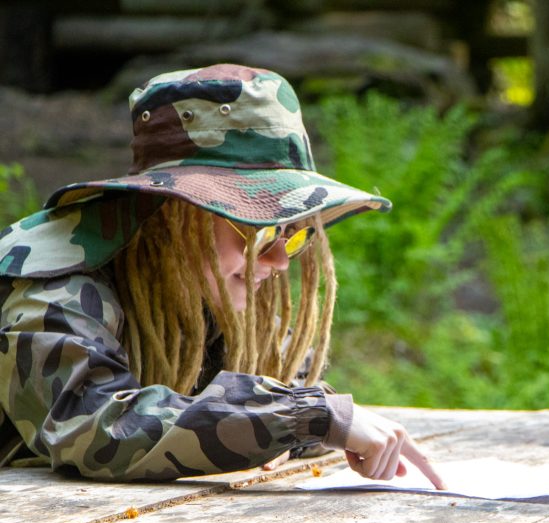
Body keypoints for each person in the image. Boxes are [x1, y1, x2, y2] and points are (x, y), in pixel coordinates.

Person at [0, 63, 444, 489]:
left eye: (294, 235)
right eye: (260, 231)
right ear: (174, 215)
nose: (279, 260)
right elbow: (96, 427)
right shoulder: (55, 288)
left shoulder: (191, 286)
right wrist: (302, 418)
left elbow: (291, 380)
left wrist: (291, 422)